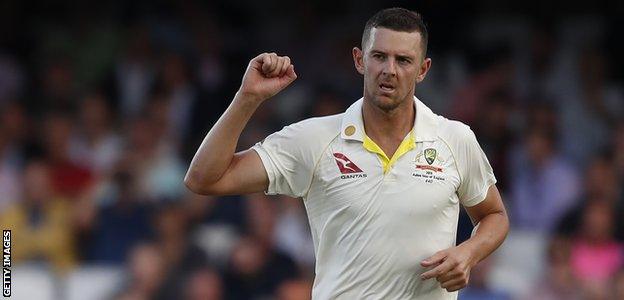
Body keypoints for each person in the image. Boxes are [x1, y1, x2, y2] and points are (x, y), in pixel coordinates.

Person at [185, 8, 509, 299]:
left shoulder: (454, 138)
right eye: (379, 56)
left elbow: (494, 216)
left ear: (423, 69)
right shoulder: (313, 139)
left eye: (404, 60)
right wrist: (248, 98)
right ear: (359, 59)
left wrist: (469, 252)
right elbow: (204, 178)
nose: (390, 70)